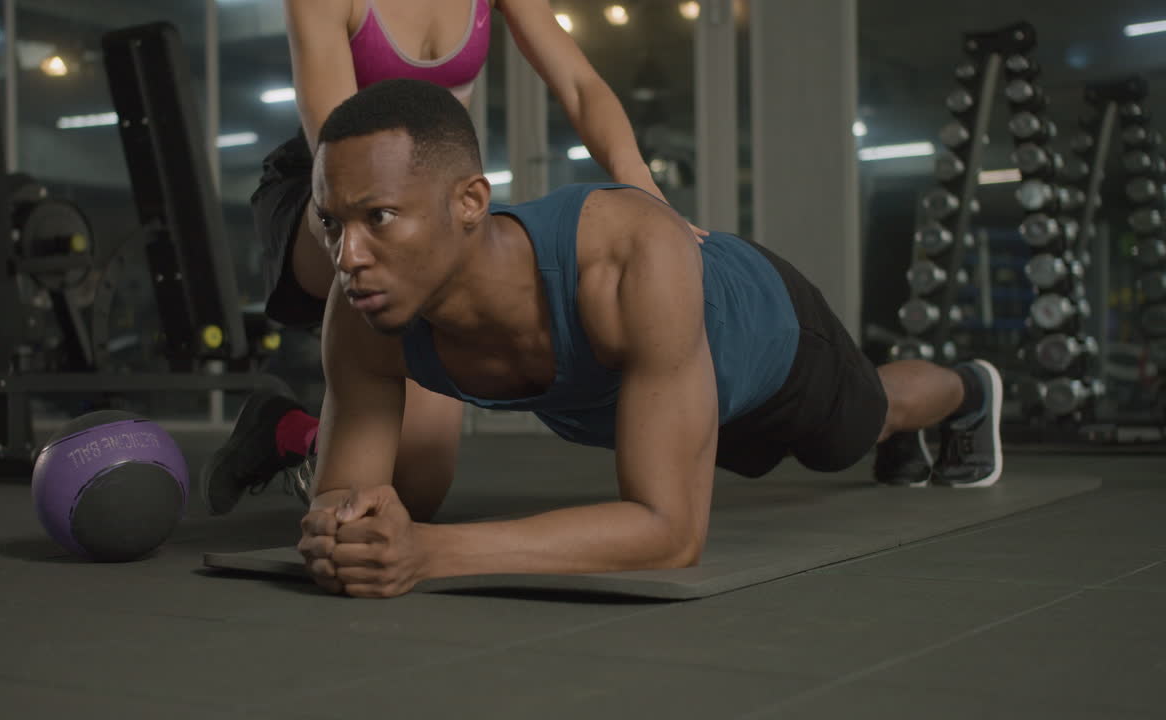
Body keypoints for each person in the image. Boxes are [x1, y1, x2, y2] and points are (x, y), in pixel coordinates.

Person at [294, 78, 1005, 598]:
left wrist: (431, 552)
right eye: (331, 223)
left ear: (471, 202)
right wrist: (346, 527)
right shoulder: (362, 313)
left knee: (860, 426)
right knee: (746, 453)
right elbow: (341, 497)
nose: (347, 255)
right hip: (664, 397)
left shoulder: (627, 257)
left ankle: (969, 390)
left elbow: (670, 533)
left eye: (379, 217)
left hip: (769, 337)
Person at [202, 0, 702, 516]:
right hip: (327, 191)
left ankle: (285, 430)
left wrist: (643, 191)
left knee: (414, 491)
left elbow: (578, 84)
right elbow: (340, 155)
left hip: (424, 209)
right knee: (377, 225)